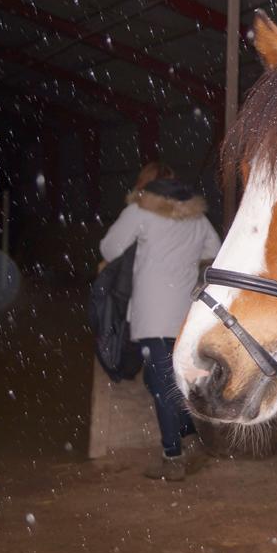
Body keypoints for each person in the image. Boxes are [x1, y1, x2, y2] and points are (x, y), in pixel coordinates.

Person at [100, 162, 221, 481]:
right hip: (185, 312)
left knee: (162, 384)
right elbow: (215, 249)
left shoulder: (141, 211)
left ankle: (173, 456)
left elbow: (109, 248)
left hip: (152, 314)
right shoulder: (196, 215)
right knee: (170, 378)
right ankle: (190, 436)